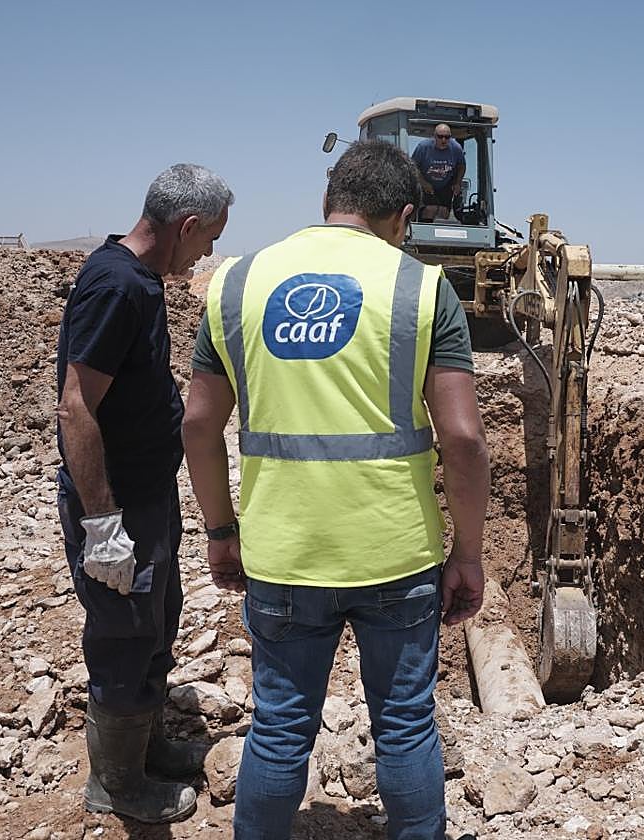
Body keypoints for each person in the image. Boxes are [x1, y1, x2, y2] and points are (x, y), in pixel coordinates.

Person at [182, 140, 490, 840]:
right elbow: (465, 439)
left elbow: (198, 424)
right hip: (394, 552)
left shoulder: (235, 283)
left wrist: (221, 532)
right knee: (406, 725)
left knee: (281, 726)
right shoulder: (420, 287)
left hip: (284, 553)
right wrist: (466, 553)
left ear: (327, 203)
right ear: (404, 215)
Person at [56, 163, 232, 824]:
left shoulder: (142, 282)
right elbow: (77, 408)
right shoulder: (116, 285)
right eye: (209, 237)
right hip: (118, 502)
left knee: (155, 623)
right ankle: (117, 786)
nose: (209, 251)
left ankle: (146, 748)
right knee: (126, 631)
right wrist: (101, 521)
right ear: (186, 226)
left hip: (145, 495)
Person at [410, 123, 465, 222]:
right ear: (434, 136)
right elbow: (412, 166)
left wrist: (458, 182)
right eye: (440, 137)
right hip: (425, 184)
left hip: (445, 185)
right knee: (430, 210)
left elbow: (461, 166)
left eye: (447, 137)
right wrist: (423, 183)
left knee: (444, 212)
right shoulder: (423, 147)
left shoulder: (456, 148)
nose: (443, 140)